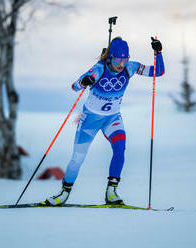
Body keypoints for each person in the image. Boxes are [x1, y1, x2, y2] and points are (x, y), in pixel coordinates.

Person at [46, 37, 165, 206]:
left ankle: (111, 192)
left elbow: (158, 71)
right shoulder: (99, 69)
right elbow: (75, 86)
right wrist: (83, 81)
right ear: (110, 58)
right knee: (78, 158)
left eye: (125, 59)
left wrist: (158, 52)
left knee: (120, 149)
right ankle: (64, 192)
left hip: (112, 118)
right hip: (90, 120)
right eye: (118, 59)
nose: (121, 64)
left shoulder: (130, 68)